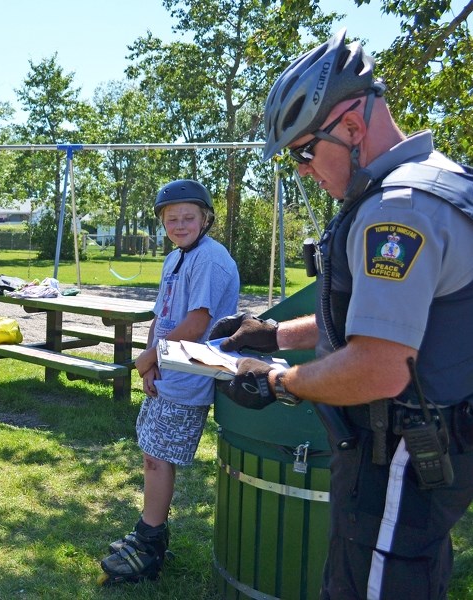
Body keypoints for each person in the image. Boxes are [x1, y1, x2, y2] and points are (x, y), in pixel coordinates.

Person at [211, 28, 473, 600]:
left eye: (305, 150)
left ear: (353, 126)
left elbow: (380, 366)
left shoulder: (397, 212)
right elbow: (372, 323)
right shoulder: (438, 180)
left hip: (402, 458)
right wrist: (272, 333)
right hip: (422, 453)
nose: (302, 169)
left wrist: (277, 380)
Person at [100, 179, 240, 584]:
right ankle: (151, 530)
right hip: (168, 369)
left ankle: (149, 545)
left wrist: (149, 357)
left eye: (188, 217)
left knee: (158, 457)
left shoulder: (210, 260)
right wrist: (152, 361)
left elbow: (197, 322)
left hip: (191, 372)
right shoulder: (175, 258)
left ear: (206, 219)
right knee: (151, 452)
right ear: (163, 223)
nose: (180, 224)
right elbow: (163, 316)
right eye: (171, 218)